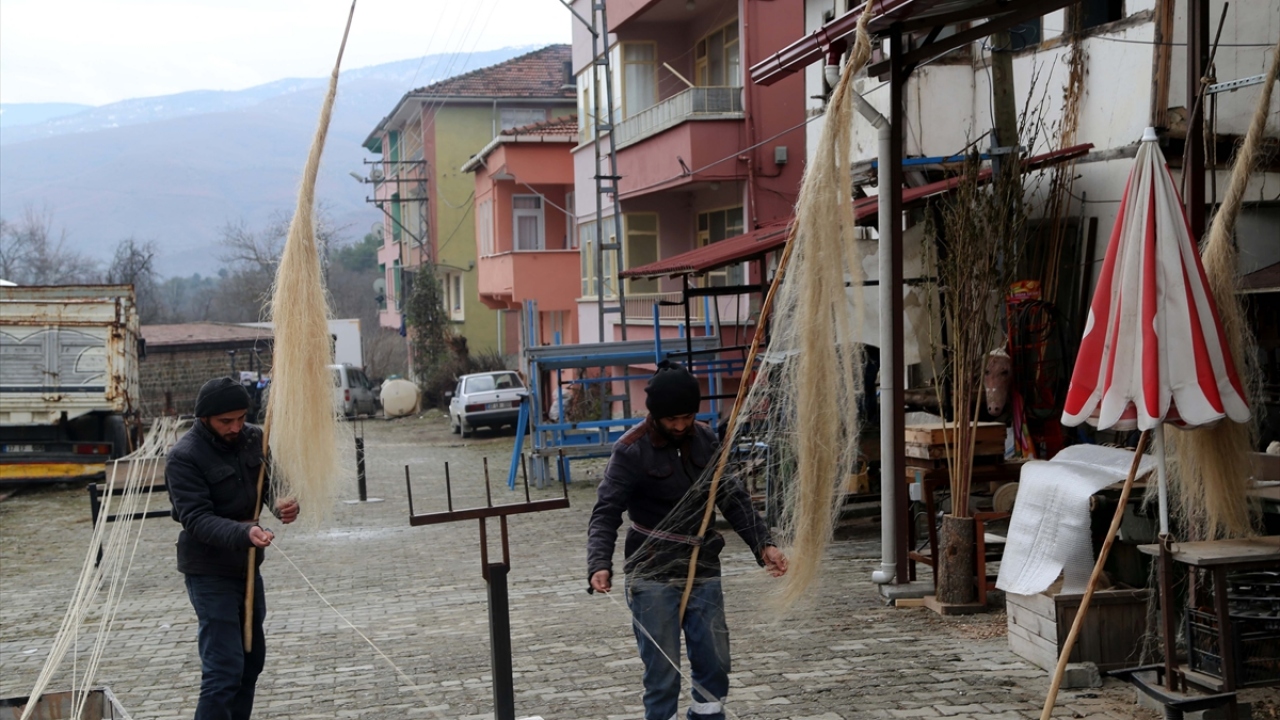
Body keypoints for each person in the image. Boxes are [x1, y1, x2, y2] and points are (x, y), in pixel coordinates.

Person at [587, 361, 787, 720]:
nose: (680, 426)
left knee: (715, 661)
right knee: (663, 674)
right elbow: (605, 511)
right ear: (655, 415)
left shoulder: (709, 440)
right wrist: (599, 563)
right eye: (672, 420)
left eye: (687, 416)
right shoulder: (630, 450)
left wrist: (764, 545)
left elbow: (733, 497)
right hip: (651, 573)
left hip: (703, 566)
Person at [166, 377, 299, 720]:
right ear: (204, 418)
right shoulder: (184, 457)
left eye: (241, 418)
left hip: (248, 567)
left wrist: (284, 504)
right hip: (208, 572)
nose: (236, 427)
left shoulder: (256, 438)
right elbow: (196, 519)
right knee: (223, 670)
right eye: (226, 421)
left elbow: (273, 486)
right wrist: (246, 532)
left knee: (250, 663)